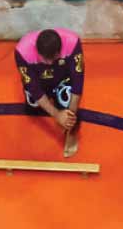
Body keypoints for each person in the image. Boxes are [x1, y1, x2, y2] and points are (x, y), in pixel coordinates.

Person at [14, 27, 86, 158]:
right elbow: (33, 87)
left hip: (63, 78)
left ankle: (71, 130)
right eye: (45, 59)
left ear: (59, 51)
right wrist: (57, 115)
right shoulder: (22, 51)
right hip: (39, 79)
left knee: (67, 100)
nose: (49, 63)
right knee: (33, 105)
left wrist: (70, 120)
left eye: (53, 58)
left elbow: (78, 82)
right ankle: (54, 106)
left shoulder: (72, 43)